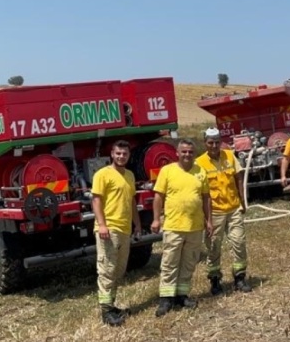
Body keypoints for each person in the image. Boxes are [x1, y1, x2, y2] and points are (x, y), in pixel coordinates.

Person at [152, 139, 212, 317]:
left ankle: (182, 295)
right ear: (177, 153)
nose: (187, 155)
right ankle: (166, 298)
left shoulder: (200, 171)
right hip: (174, 226)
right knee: (170, 263)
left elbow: (206, 198)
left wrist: (209, 221)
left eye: (190, 152)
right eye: (184, 152)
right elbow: (158, 197)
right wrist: (156, 219)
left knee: (188, 263)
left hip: (195, 227)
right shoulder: (167, 171)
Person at [91, 140, 141, 326]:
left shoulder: (129, 175)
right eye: (118, 153)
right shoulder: (102, 175)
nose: (121, 157)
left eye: (125, 154)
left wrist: (136, 224)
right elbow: (96, 201)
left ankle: (111, 306)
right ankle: (106, 312)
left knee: (118, 270)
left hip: (124, 228)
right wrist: (102, 225)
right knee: (107, 269)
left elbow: (132, 202)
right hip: (109, 229)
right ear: (112, 154)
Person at [195, 128, 251, 296]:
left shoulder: (229, 155)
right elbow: (199, 192)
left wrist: (243, 201)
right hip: (215, 212)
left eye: (217, 142)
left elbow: (239, 178)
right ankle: (215, 280)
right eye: (210, 143)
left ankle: (240, 277)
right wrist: (205, 217)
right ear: (205, 143)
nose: (214, 146)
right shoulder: (199, 163)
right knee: (213, 247)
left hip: (233, 208)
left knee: (239, 242)